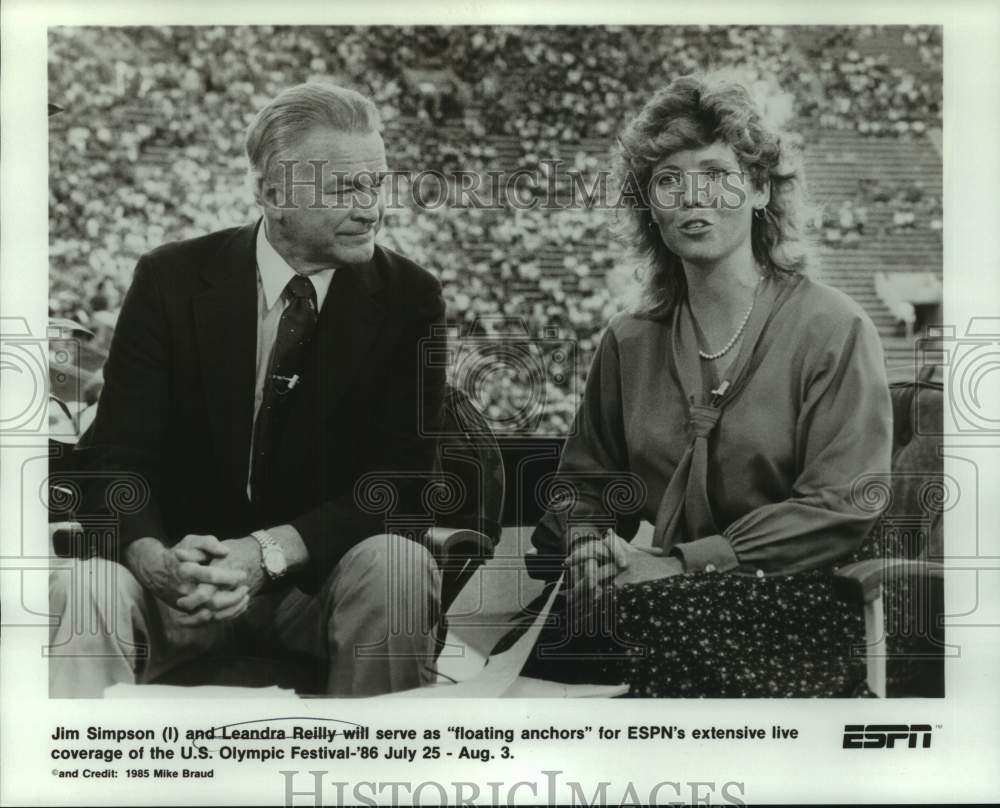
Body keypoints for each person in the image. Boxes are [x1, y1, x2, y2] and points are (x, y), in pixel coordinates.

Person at [49, 83, 446, 698]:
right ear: (272, 192)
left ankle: (379, 777)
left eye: (378, 183)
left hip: (315, 590)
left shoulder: (410, 297)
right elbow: (113, 459)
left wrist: (266, 553)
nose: (371, 208)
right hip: (178, 586)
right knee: (82, 590)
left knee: (396, 566)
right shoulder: (168, 279)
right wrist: (153, 559)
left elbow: (403, 485)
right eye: (345, 188)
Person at [529, 75, 893, 697]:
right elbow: (583, 488)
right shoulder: (629, 339)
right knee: (527, 652)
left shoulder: (834, 327)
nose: (691, 195)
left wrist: (676, 564)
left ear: (757, 189)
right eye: (668, 181)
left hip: (792, 598)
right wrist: (592, 548)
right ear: (652, 209)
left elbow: (840, 505)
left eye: (716, 173)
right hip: (656, 595)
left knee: (638, 637)